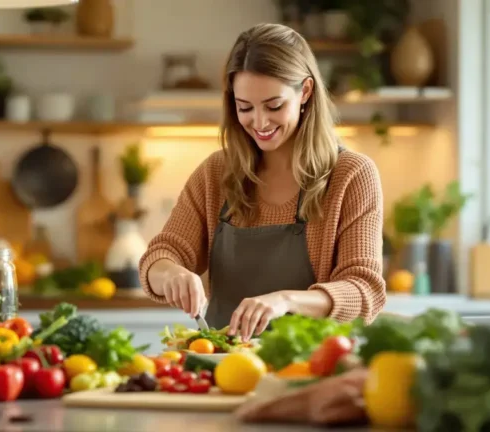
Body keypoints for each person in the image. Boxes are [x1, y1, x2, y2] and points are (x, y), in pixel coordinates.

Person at [138, 23, 386, 341]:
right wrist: (170, 273)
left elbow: (364, 290)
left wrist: (285, 300)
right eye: (245, 108)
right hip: (224, 372)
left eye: (274, 106)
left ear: (305, 92)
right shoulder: (217, 173)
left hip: (311, 370)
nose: (259, 122)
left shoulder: (351, 175)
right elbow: (160, 256)